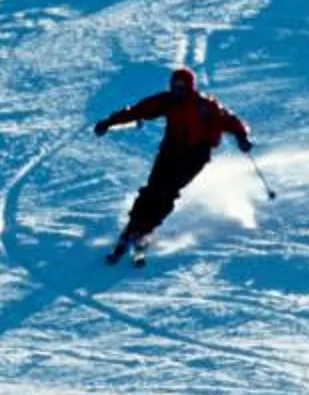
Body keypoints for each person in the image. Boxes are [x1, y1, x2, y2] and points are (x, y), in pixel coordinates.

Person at [92, 65, 252, 265]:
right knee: (152, 190)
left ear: (190, 87)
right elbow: (138, 110)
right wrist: (109, 122)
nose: (178, 90)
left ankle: (146, 229)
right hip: (170, 151)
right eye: (175, 86)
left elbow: (231, 121)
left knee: (167, 191)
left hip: (194, 156)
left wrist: (242, 137)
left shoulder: (205, 106)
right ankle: (134, 226)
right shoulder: (167, 101)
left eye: (182, 87)